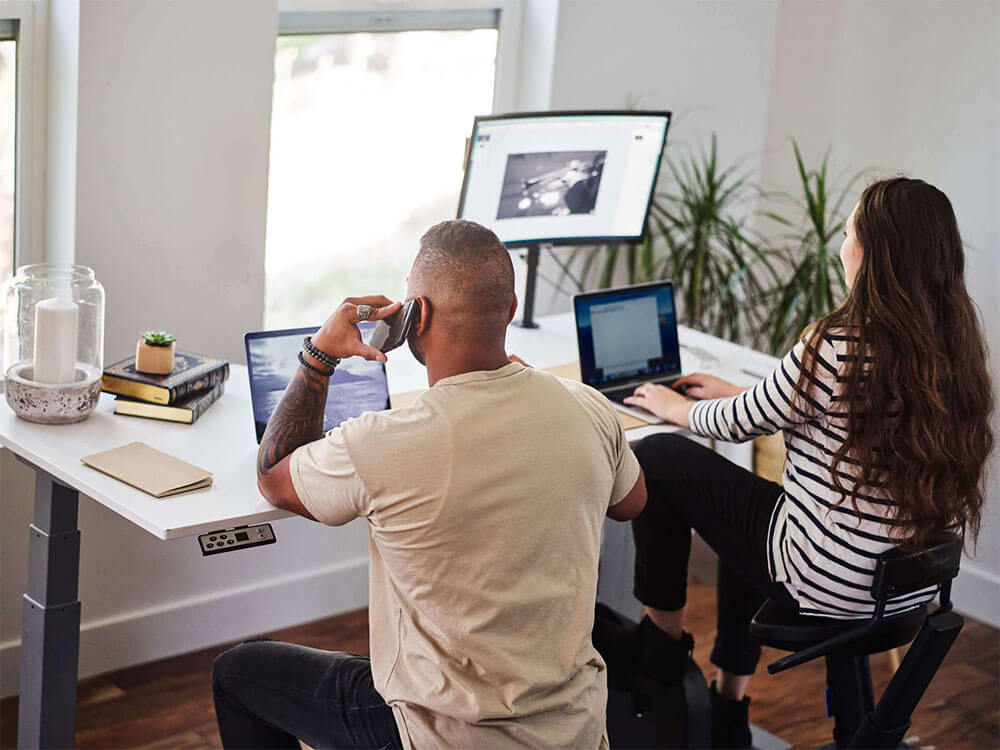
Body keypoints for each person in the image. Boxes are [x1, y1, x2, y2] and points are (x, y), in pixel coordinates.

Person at [211, 219, 647, 749]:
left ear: (415, 317)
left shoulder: (383, 441)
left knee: (238, 674)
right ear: (510, 310)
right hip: (571, 731)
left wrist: (319, 354)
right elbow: (632, 501)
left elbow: (274, 478)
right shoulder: (586, 407)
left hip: (440, 735)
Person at [618, 177, 993, 748]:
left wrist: (673, 405)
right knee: (752, 506)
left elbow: (737, 422)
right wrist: (743, 389)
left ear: (874, 255)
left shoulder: (836, 343)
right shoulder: (952, 346)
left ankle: (661, 644)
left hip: (830, 580)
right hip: (909, 584)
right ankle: (728, 704)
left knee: (659, 455)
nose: (841, 246)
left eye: (847, 234)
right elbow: (812, 406)